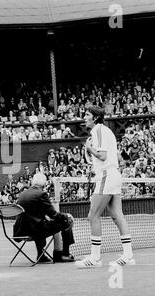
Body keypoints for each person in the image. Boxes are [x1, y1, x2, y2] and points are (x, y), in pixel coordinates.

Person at [75, 106, 135, 268]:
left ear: (95, 118)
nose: (84, 118)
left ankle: (95, 258)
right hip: (113, 175)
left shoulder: (98, 130)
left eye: (87, 115)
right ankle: (128, 255)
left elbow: (102, 155)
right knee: (117, 215)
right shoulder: (104, 131)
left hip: (106, 176)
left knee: (92, 215)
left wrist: (89, 148)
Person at [14, 173, 75, 263]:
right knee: (67, 221)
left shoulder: (22, 194)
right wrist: (66, 216)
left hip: (20, 231)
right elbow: (53, 215)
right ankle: (64, 254)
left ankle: (40, 255)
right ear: (44, 184)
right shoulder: (41, 194)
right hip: (35, 231)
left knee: (36, 223)